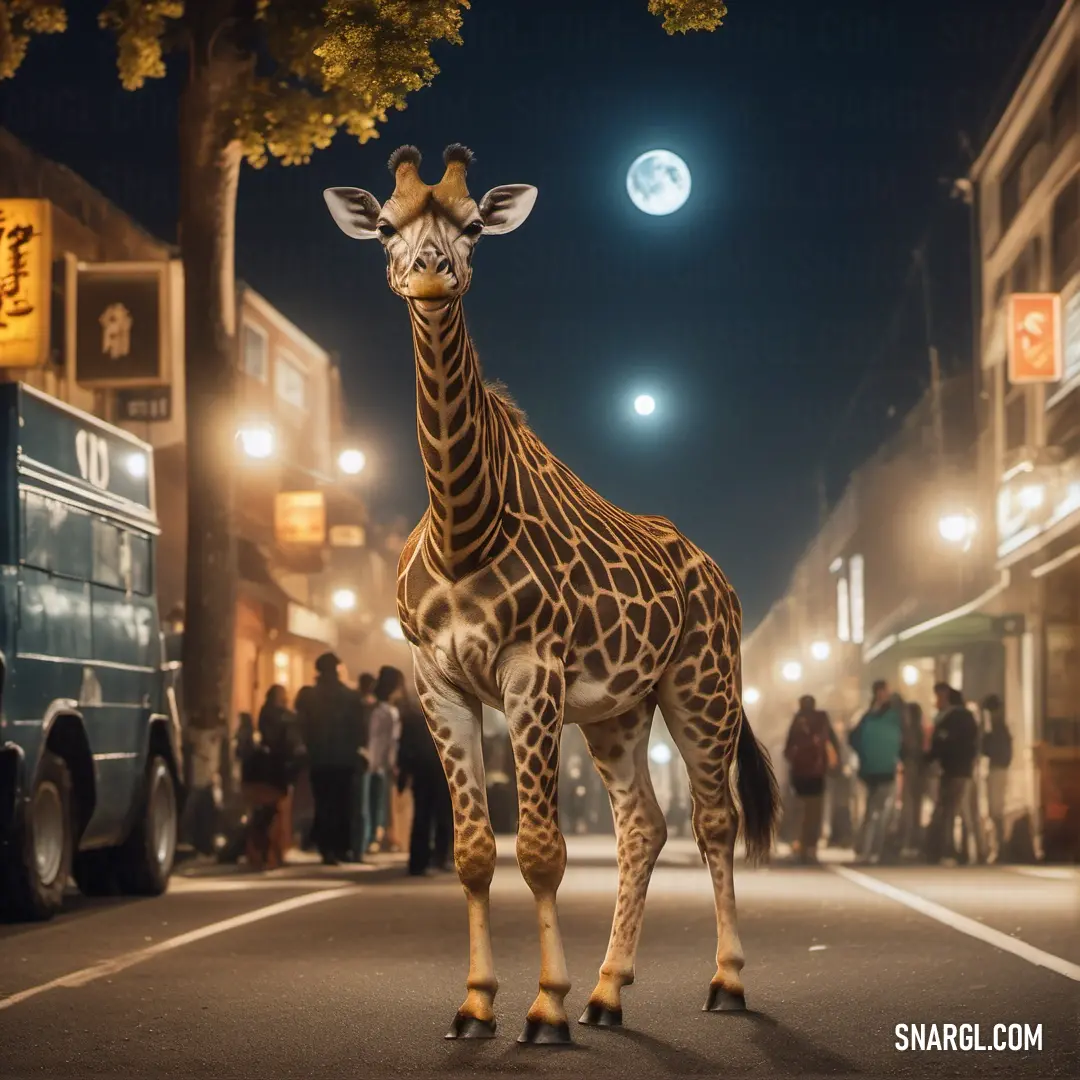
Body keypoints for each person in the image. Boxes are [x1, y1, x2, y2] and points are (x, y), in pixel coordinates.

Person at [294, 653, 367, 866]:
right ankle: (341, 847)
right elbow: (359, 728)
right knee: (344, 803)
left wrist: (304, 748)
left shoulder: (308, 696)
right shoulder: (350, 697)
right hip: (345, 758)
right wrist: (360, 750)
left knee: (324, 803)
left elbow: (301, 725)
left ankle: (327, 848)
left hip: (319, 758)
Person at [924, 684, 985, 865]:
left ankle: (951, 850)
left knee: (952, 811)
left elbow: (940, 746)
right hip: (964, 770)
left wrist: (929, 759)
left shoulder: (949, 719)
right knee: (964, 811)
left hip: (954, 770)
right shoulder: (968, 718)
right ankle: (969, 851)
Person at [242, 686, 302, 870]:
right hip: (275, 774)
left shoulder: (266, 715)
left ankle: (262, 855)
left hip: (266, 774)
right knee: (272, 816)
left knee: (264, 816)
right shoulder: (285, 718)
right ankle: (270, 855)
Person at [396, 694, 453, 875]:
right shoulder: (450, 712)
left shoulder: (413, 716)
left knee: (422, 815)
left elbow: (404, 747)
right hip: (441, 770)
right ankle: (440, 857)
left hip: (422, 771)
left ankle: (418, 861)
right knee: (442, 814)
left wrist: (404, 774)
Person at [848, 680, 904, 864]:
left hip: (875, 768)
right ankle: (871, 851)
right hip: (880, 769)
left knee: (873, 811)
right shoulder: (891, 716)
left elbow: (853, 737)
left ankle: (868, 850)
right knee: (877, 812)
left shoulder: (868, 716)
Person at [783, 695, 840, 863]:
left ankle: (799, 844)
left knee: (799, 809)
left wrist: (793, 763)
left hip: (799, 774)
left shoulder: (797, 720)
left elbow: (787, 748)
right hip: (817, 774)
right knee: (815, 810)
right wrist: (832, 765)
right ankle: (811, 847)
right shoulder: (822, 720)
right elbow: (833, 743)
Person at [362, 665, 405, 855]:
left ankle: (374, 837)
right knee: (379, 800)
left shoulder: (372, 707)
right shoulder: (387, 711)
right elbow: (387, 740)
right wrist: (392, 762)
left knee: (373, 800)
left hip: (371, 759)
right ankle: (375, 837)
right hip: (380, 760)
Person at [348, 673, 378, 861]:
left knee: (362, 803)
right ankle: (360, 846)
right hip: (363, 756)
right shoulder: (367, 706)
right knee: (363, 804)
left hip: (359, 756)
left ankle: (361, 845)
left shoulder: (356, 704)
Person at [981, 694, 1013, 861]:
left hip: (997, 770)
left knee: (996, 810)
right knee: (994, 810)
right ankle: (999, 846)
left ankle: (1000, 847)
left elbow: (987, 748)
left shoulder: (997, 728)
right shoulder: (999, 727)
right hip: (997, 769)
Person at [898, 701, 927, 858]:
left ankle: (908, 842)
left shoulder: (908, 733)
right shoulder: (920, 732)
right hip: (918, 773)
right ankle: (912, 842)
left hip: (911, 772)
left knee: (909, 808)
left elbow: (907, 751)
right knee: (915, 809)